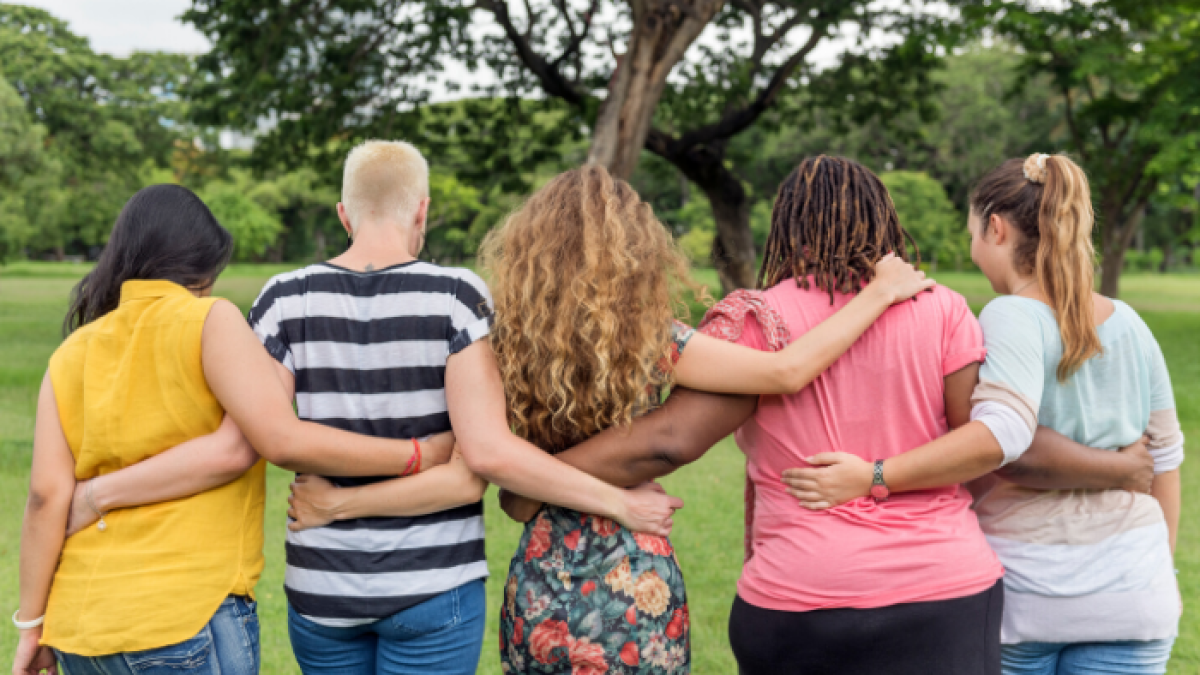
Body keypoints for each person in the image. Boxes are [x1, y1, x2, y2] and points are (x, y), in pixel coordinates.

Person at [499, 155, 1155, 675]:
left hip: (801, 594)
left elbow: (668, 442)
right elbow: (976, 447)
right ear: (884, 217)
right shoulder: (945, 308)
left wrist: (534, 479)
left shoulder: (755, 317)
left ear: (788, 223)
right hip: (945, 592)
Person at [287, 164, 933, 674]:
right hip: (635, 580)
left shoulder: (500, 342)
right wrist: (877, 292)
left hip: (540, 583)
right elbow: (785, 371)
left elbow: (487, 471)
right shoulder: (652, 340)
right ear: (634, 251)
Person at [243, 143, 685, 675]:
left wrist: (336, 504)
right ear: (422, 210)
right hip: (433, 586)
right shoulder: (455, 297)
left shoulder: (281, 300)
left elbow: (276, 435)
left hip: (322, 584)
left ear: (344, 214)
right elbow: (479, 463)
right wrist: (619, 502)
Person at [11, 184, 464, 675]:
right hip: (184, 615)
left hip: (81, 628)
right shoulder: (210, 320)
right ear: (200, 267)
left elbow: (43, 499)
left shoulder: (70, 354)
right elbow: (275, 440)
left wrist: (32, 626)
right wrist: (418, 454)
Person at [790, 153, 1184, 675]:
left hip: (1033, 595)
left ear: (996, 230)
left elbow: (1001, 443)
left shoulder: (1010, 315)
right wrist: (1157, 569)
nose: (973, 250)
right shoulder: (1131, 322)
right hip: (1137, 593)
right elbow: (1166, 462)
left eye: (973, 233)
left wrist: (874, 476)